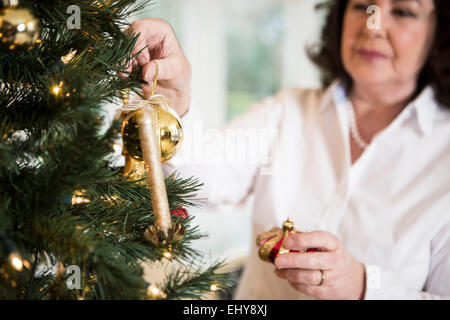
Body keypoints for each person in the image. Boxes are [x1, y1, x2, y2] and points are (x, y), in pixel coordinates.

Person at [122, 0, 450, 299]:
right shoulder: (289, 111)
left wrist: (361, 286)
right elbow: (202, 174)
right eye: (362, 5)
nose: (373, 25)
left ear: (439, 32)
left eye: (404, 11)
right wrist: (175, 100)